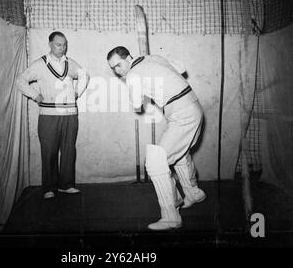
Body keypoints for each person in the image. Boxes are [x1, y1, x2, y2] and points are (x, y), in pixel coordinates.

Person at [107, 46, 205, 230]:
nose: (117, 71)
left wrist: (137, 88)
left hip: (182, 113)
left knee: (155, 161)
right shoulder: (154, 57)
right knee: (179, 153)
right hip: (194, 106)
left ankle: (171, 216)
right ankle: (193, 193)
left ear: (128, 57)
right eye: (113, 68)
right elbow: (181, 67)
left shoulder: (133, 76)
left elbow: (137, 106)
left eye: (119, 65)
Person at [17, 31, 90, 199]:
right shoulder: (39, 64)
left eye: (64, 45)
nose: (62, 48)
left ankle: (66, 185)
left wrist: (77, 92)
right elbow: (21, 80)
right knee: (49, 151)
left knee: (68, 151)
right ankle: (49, 187)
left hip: (70, 113)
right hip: (49, 115)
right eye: (58, 44)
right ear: (50, 44)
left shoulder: (70, 63)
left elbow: (84, 75)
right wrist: (35, 95)